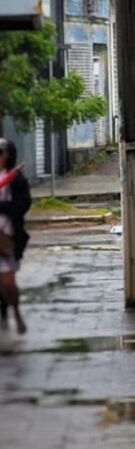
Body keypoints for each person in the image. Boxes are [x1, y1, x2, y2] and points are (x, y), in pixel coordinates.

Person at [0, 138, 31, 334]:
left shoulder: (17, 180)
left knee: (8, 282)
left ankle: (15, 312)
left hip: (6, 239)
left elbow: (22, 206)